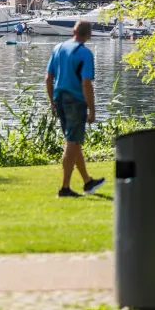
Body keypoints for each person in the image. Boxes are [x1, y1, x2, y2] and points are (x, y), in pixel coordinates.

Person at [45, 20, 105, 198]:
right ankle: (64, 188)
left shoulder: (58, 48)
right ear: (89, 35)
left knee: (73, 141)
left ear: (73, 31)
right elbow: (86, 83)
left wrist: (52, 101)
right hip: (75, 101)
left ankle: (87, 182)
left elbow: (48, 78)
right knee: (71, 142)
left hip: (59, 99)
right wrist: (92, 110)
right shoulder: (85, 54)